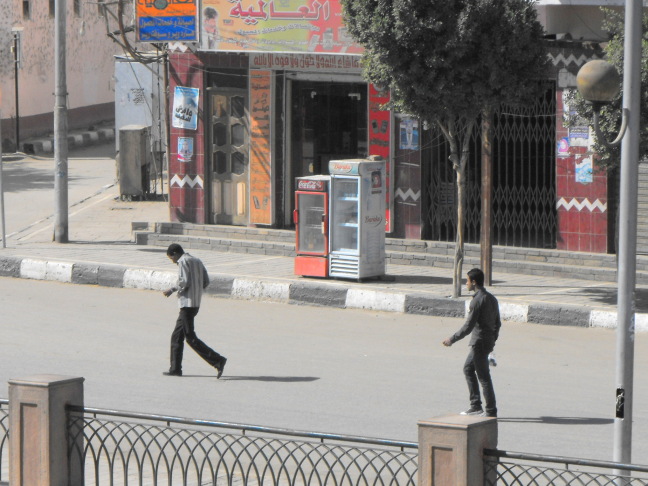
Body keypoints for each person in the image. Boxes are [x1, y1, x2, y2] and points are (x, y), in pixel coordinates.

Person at [442, 268, 501, 417]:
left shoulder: (477, 301)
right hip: (486, 341)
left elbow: (468, 326)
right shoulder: (492, 299)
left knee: (483, 377)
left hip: (479, 343)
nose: (466, 284)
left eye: (467, 281)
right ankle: (475, 405)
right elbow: (498, 323)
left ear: (474, 282)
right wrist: (493, 340)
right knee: (468, 369)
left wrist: (452, 339)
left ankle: (490, 410)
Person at [163, 243, 227, 378]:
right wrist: (196, 290)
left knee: (190, 338)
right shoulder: (196, 260)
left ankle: (218, 360)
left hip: (187, 304)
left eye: (171, 258)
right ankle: (175, 369)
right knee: (177, 336)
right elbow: (206, 281)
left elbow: (183, 282)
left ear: (175, 254)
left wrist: (172, 289)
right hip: (195, 303)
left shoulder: (183, 261)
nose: (173, 261)